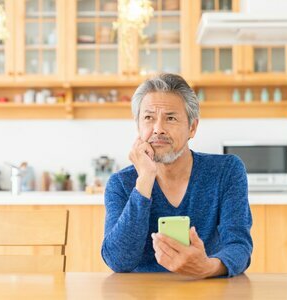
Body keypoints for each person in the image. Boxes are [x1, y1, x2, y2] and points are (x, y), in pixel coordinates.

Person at [101, 73, 253, 278]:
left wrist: (208, 267)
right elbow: (118, 260)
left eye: (170, 118)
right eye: (148, 118)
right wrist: (145, 180)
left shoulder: (226, 171)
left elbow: (238, 245)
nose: (158, 129)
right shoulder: (121, 183)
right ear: (138, 126)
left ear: (192, 127)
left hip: (206, 287)